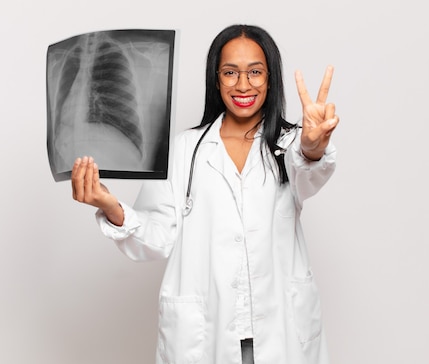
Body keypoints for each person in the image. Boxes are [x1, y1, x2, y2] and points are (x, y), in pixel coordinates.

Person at [71, 24, 340, 364]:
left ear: (271, 78)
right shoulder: (184, 150)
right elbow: (156, 237)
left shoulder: (290, 144)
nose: (243, 85)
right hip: (206, 335)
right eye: (230, 72)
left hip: (281, 331)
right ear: (216, 79)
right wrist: (111, 205)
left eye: (255, 72)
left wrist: (313, 146)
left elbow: (311, 171)